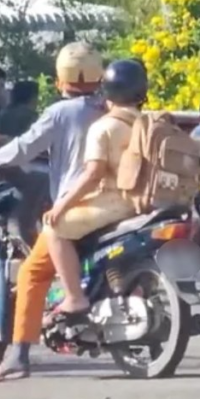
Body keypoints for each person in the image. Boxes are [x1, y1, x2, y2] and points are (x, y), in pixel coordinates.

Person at [0, 41, 106, 382]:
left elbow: (25, 147)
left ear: (60, 80)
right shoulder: (109, 108)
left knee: (31, 273)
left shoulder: (60, 113)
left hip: (76, 206)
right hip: (114, 205)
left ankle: (19, 355)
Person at [42, 59, 148, 318]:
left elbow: (93, 175)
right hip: (146, 202)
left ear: (106, 92)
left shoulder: (103, 127)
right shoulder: (149, 124)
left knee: (54, 229)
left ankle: (74, 298)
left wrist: (61, 206)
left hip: (116, 203)